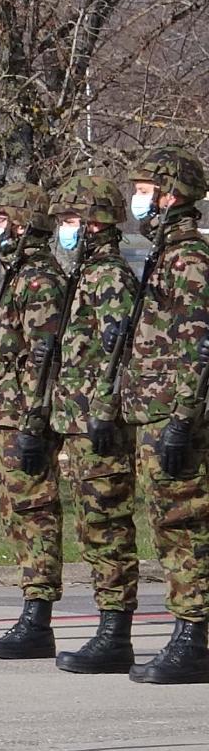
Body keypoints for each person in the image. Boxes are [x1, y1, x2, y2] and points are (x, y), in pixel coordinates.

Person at [114, 146, 209, 684]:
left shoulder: (187, 257)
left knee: (184, 522)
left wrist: (181, 418)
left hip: (177, 415)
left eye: (147, 190)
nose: (139, 199)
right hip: (155, 410)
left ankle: (193, 637)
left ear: (171, 195)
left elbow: (199, 346)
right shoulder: (164, 254)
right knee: (170, 523)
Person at [47, 175, 142, 672]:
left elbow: (120, 352)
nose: (64, 230)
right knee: (93, 524)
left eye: (70, 221)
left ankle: (115, 631)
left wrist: (105, 409)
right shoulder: (85, 276)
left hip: (99, 424)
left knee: (107, 524)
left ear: (94, 224)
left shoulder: (108, 277)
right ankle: (110, 625)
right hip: (82, 421)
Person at [0, 184, 67, 660]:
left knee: (34, 514)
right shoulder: (18, 275)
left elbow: (42, 358)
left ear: (25, 222)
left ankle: (39, 616)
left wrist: (33, 422)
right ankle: (31, 609)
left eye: (2, 219)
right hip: (8, 417)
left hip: (25, 419)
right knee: (16, 515)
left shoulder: (39, 280)